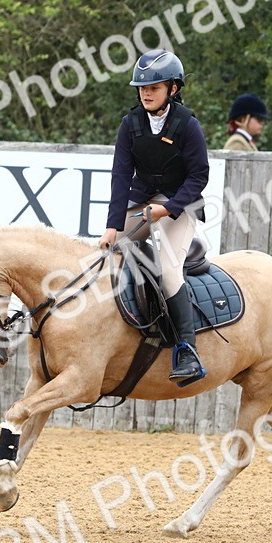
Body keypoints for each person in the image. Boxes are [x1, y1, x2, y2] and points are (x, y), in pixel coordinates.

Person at [99, 49, 208, 386]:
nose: (146, 93)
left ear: (173, 89)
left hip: (180, 203)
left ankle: (186, 349)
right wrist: (112, 227)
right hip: (140, 199)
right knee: (105, 256)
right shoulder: (129, 124)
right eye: (142, 88)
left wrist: (168, 208)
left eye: (154, 87)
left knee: (169, 268)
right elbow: (120, 177)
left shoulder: (187, 125)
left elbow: (198, 177)